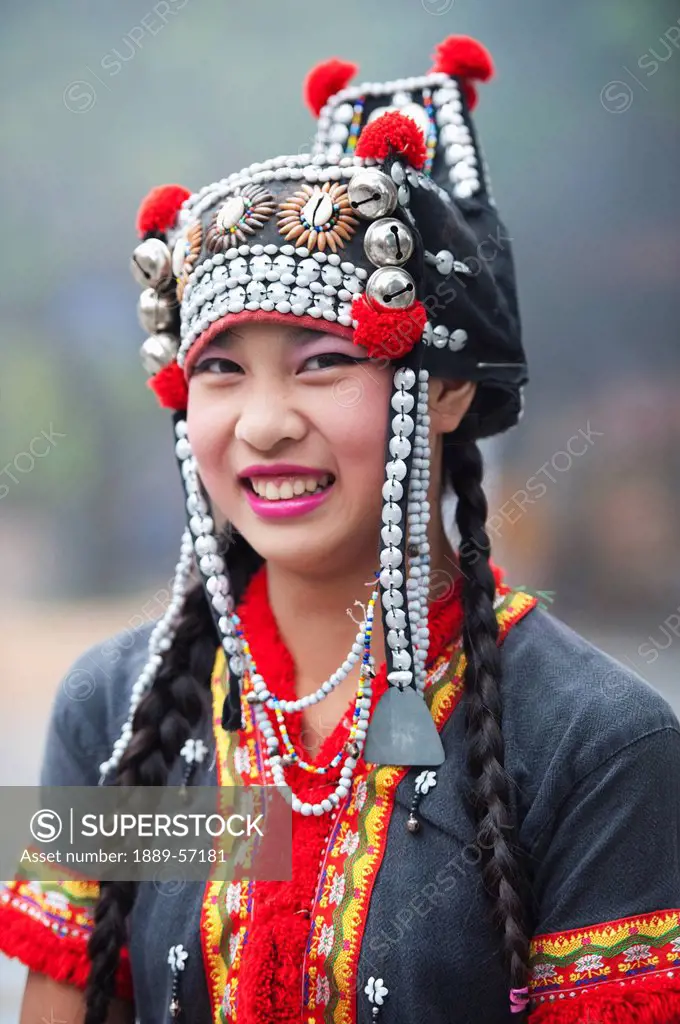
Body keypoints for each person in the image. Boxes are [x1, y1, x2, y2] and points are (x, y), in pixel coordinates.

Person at [2, 34, 680, 1024]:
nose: (264, 422)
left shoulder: (595, 746)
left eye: (321, 361)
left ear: (445, 387)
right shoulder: (119, 711)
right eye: (221, 371)